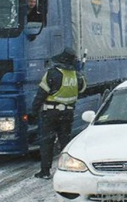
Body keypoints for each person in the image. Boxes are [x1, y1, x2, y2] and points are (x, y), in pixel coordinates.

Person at [31, 47, 86, 179]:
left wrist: (34, 111)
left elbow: (41, 94)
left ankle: (45, 171)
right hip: (68, 114)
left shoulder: (53, 74)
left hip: (50, 114)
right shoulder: (76, 75)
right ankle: (69, 169)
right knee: (65, 142)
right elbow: (82, 89)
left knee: (47, 142)